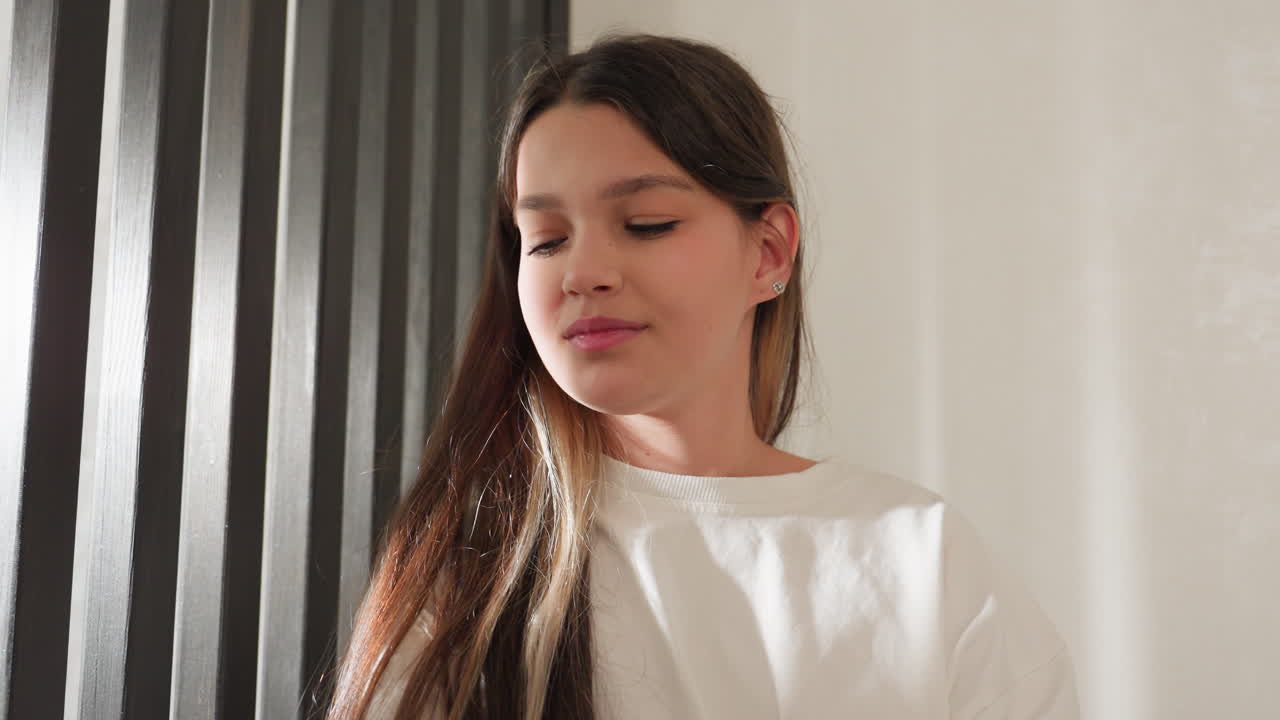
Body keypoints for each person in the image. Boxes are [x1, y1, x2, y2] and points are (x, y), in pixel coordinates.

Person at [327, 33, 1079, 720]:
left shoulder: (925, 564)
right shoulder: (469, 580)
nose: (583, 273)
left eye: (646, 223)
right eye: (547, 238)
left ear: (769, 252)